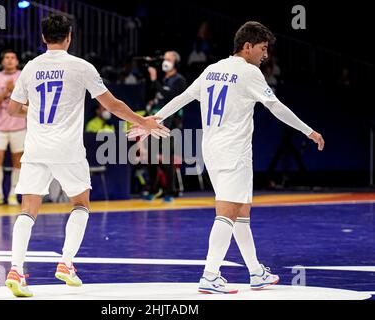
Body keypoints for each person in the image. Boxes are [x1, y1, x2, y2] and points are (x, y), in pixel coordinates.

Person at [129, 21, 325, 294]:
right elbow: (276, 107)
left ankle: (256, 272)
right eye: (262, 48)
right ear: (247, 47)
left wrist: (156, 117)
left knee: (241, 212)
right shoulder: (249, 73)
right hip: (235, 153)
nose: (265, 55)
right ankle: (210, 275)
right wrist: (308, 130)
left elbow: (184, 97)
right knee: (228, 213)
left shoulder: (212, 69)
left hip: (213, 150)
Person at [4, 14, 168, 298]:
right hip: (67, 149)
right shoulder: (81, 67)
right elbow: (112, 104)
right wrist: (143, 122)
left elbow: (12, 110)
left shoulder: (30, 68)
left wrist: (34, 108)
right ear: (69, 37)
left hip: (36, 148)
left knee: (28, 208)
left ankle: (16, 269)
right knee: (80, 203)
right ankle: (66, 263)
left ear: (43, 38)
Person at [145, 51, 187, 202]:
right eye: (164, 58)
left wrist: (155, 80)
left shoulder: (179, 80)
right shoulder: (164, 80)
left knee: (167, 159)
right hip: (157, 122)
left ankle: (170, 191)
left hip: (171, 124)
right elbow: (156, 94)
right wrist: (154, 81)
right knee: (150, 157)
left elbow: (171, 98)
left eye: (169, 59)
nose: (165, 61)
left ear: (176, 62)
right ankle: (153, 189)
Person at [0, 50, 24, 206]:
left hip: (19, 125)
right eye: (6, 57)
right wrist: (6, 91)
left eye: (12, 58)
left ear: (17, 61)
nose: (9, 60)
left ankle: (13, 194)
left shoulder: (23, 76)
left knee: (18, 161)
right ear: (2, 61)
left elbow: (29, 100)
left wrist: (14, 90)